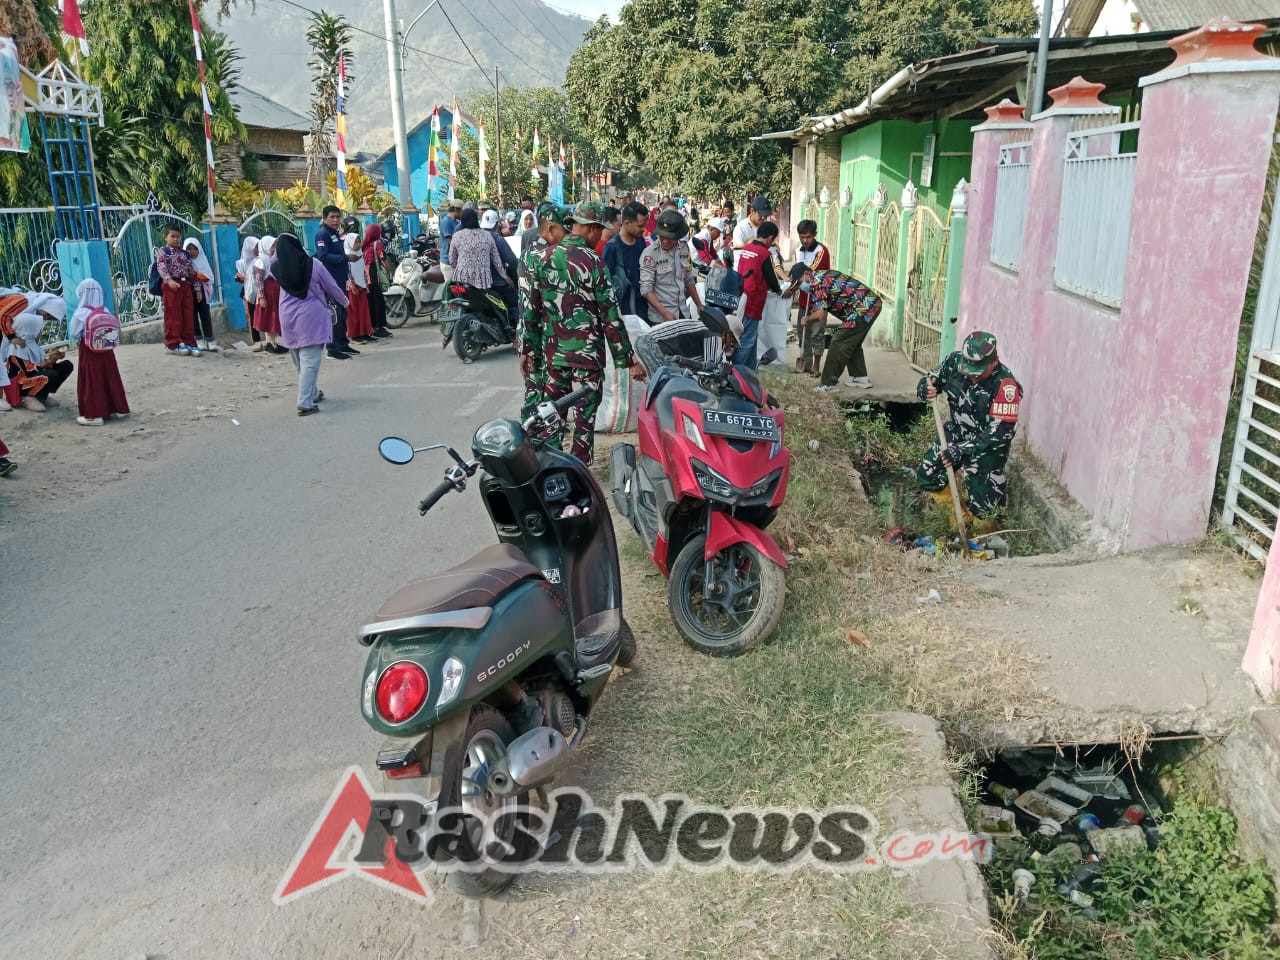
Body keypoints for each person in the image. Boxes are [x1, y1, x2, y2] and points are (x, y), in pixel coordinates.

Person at [521, 202, 646, 464]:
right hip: (587, 359)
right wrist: (627, 360)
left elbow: (531, 313)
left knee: (552, 415)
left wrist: (528, 351)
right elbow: (611, 317)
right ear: (590, 229)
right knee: (584, 421)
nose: (599, 237)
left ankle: (551, 465)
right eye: (599, 232)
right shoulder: (594, 263)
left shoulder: (544, 259)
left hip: (554, 356)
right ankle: (579, 469)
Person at [916, 331, 1023, 519]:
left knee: (986, 509)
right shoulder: (954, 362)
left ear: (994, 362)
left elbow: (1000, 433)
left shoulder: (1005, 385)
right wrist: (925, 388)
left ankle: (986, 535)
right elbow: (931, 378)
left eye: (978, 373)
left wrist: (962, 450)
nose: (972, 376)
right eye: (968, 371)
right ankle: (958, 521)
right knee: (928, 474)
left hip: (987, 448)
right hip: (957, 433)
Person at [272, 232, 349, 417]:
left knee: (299, 359)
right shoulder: (314, 264)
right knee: (310, 361)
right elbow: (331, 286)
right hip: (311, 316)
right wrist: (345, 302)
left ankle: (312, 392)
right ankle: (305, 402)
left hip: (287, 316)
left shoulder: (276, 268)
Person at [796, 266, 883, 393]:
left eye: (800, 282)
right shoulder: (821, 276)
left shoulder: (817, 283)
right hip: (871, 304)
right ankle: (860, 378)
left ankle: (828, 384)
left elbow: (819, 315)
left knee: (838, 341)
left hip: (864, 308)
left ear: (807, 273)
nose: (801, 286)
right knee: (851, 341)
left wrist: (807, 319)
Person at [67, 278, 129, 426]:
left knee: (92, 380)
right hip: (107, 351)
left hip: (89, 351)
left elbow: (74, 333)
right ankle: (113, 408)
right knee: (109, 376)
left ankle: (93, 415)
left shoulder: (80, 313)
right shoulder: (105, 310)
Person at [632, 310, 741, 376]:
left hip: (649, 344)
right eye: (732, 342)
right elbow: (710, 370)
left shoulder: (708, 329)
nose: (729, 346)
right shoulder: (714, 333)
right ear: (728, 334)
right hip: (651, 344)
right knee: (666, 386)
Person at [640, 209, 702, 324]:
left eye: (669, 238)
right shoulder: (650, 254)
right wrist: (664, 313)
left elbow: (689, 280)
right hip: (661, 318)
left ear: (678, 236)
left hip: (683, 312)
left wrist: (699, 305)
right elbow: (646, 289)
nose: (665, 241)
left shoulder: (683, 248)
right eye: (662, 236)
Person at [3, 309, 72, 410]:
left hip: (32, 378)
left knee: (67, 365)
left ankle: (41, 396)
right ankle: (26, 397)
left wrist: (55, 358)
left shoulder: (33, 345)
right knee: (51, 374)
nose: (40, 332)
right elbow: (30, 370)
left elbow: (43, 366)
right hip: (21, 383)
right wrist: (49, 361)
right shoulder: (16, 348)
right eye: (37, 329)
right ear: (28, 330)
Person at [736, 222, 782, 370]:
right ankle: (737, 373)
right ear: (769, 238)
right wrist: (778, 289)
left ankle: (750, 371)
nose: (772, 244)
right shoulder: (764, 254)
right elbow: (770, 277)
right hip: (754, 300)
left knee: (751, 338)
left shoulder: (746, 248)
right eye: (773, 240)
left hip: (741, 297)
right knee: (747, 340)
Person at [315, 205, 357, 360]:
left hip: (340, 279)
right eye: (332, 217)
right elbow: (323, 256)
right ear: (325, 218)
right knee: (335, 315)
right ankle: (333, 348)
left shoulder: (335, 234)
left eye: (337, 217)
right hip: (330, 280)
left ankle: (342, 343)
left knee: (343, 312)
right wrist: (346, 258)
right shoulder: (323, 234)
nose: (335, 220)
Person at [792, 220, 833, 374]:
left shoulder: (821, 251)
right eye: (802, 237)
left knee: (817, 333)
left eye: (808, 237)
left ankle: (816, 366)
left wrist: (800, 275)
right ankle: (806, 363)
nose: (805, 240)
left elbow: (808, 272)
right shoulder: (798, 251)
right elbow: (798, 273)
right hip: (804, 298)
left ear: (814, 235)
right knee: (803, 333)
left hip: (819, 299)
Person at [156, 223, 201, 356]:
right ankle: (171, 344)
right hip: (171, 286)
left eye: (178, 236)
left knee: (188, 315)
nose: (175, 239)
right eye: (172, 236)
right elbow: (161, 267)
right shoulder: (163, 252)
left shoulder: (184, 254)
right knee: (173, 315)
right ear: (166, 237)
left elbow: (191, 271)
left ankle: (190, 343)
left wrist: (197, 289)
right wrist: (169, 280)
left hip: (185, 285)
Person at [602, 201, 649, 321]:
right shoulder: (612, 248)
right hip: (623, 314)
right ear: (627, 223)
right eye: (640, 226)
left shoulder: (640, 241)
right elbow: (604, 285)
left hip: (643, 308)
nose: (643, 229)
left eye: (644, 225)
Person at [450, 207, 507, 291]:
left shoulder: (456, 236)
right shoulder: (487, 235)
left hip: (462, 279)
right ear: (476, 219)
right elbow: (496, 260)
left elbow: (452, 259)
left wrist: (461, 268)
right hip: (482, 279)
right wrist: (505, 276)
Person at [182, 237, 219, 353]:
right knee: (192, 315)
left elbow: (208, 277)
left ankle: (210, 339)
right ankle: (198, 339)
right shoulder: (184, 262)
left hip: (202, 291)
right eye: (189, 249)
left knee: (205, 314)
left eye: (194, 249)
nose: (192, 251)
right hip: (188, 291)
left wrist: (197, 275)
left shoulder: (203, 261)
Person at [253, 236, 287, 354]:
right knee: (268, 316)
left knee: (275, 316)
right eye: (272, 246)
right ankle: (269, 342)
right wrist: (261, 296)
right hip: (267, 293)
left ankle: (273, 342)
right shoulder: (261, 261)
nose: (274, 249)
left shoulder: (273, 258)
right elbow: (258, 280)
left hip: (275, 292)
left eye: (274, 246)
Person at [362, 223, 393, 340]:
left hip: (366, 278)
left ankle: (373, 327)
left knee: (371, 303)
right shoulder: (377, 243)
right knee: (379, 303)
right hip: (375, 277)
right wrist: (389, 275)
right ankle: (379, 328)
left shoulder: (364, 245)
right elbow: (384, 260)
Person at [344, 233, 375, 344]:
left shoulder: (359, 254)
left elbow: (363, 270)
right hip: (352, 289)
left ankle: (365, 332)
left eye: (359, 241)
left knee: (363, 311)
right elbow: (347, 273)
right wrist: (352, 285)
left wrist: (366, 284)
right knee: (353, 312)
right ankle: (354, 335)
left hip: (361, 286)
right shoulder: (347, 256)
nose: (358, 244)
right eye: (355, 242)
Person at [236, 235, 261, 349]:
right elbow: (237, 276)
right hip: (247, 293)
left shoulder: (261, 260)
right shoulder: (242, 263)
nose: (257, 250)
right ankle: (256, 340)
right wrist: (239, 277)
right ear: (249, 248)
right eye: (255, 247)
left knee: (263, 315)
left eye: (258, 247)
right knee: (251, 316)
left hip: (260, 292)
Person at [731, 196, 772, 266]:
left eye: (765, 215)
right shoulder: (741, 229)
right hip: (743, 270)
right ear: (752, 211)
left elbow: (772, 253)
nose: (763, 218)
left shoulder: (766, 227)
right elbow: (740, 257)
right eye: (761, 215)